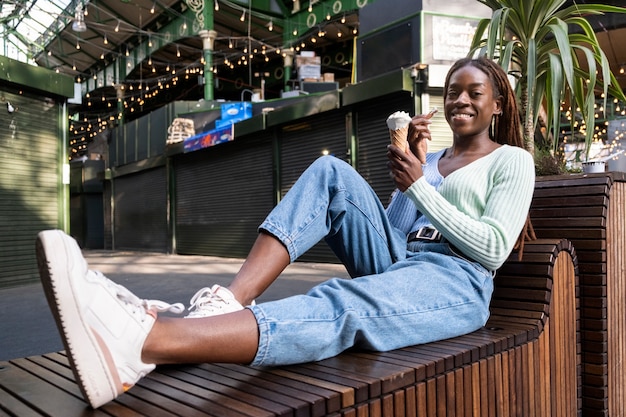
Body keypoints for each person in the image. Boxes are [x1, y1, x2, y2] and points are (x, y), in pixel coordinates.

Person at [36, 56, 536, 409]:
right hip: (405, 263)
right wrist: (416, 175)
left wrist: (422, 189)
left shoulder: (512, 161)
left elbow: (492, 248)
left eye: (475, 93)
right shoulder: (432, 160)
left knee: (346, 300)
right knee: (331, 174)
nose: (461, 101)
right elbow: (398, 234)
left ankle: (144, 341)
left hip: (456, 280)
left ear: (496, 106)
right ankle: (227, 303)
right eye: (453, 92)